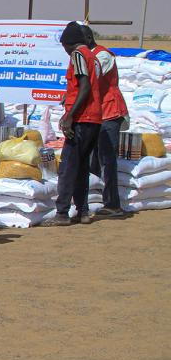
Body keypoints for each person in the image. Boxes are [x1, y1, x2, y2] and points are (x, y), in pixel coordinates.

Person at [46, 21, 103, 227]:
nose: (65, 51)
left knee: (68, 167)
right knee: (81, 167)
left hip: (82, 118)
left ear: (69, 43)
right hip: (94, 118)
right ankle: (83, 211)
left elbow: (84, 87)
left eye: (64, 47)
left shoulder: (78, 55)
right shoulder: (92, 56)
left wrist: (70, 116)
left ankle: (62, 213)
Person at [84, 25, 127, 218]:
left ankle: (112, 204)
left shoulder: (102, 56)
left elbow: (92, 77)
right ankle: (94, 199)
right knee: (93, 157)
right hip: (96, 113)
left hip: (110, 111)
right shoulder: (87, 56)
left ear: (87, 39)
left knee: (106, 159)